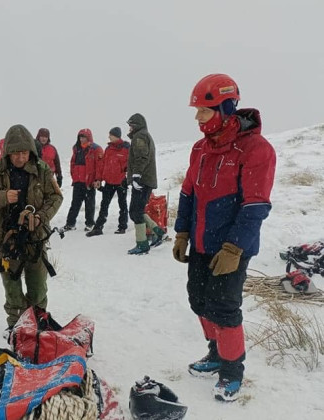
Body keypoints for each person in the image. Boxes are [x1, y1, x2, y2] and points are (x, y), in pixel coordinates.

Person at [173, 74, 275, 401]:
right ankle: (215, 352)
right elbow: (188, 193)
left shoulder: (256, 149)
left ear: (225, 108)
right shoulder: (200, 148)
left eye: (203, 111)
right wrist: (182, 233)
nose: (197, 118)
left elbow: (255, 205)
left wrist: (234, 248)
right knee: (198, 301)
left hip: (232, 248)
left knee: (224, 308)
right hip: (202, 244)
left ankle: (232, 371)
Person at [0, 124, 63, 331]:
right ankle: (16, 326)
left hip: (35, 239)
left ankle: (38, 323)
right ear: (7, 153)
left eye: (24, 153)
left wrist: (41, 217)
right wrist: (3, 196)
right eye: (15, 153)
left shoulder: (42, 170)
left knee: (38, 288)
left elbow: (56, 197)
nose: (20, 158)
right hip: (7, 240)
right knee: (12, 290)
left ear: (30, 151)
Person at [125, 113, 165, 254]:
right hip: (146, 180)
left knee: (135, 212)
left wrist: (136, 176)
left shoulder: (140, 137)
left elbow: (141, 157)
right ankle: (158, 232)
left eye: (130, 125)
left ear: (136, 125)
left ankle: (142, 244)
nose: (129, 128)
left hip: (142, 180)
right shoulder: (143, 135)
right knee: (138, 211)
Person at [87, 127, 129, 237]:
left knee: (122, 205)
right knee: (104, 205)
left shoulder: (126, 148)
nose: (109, 137)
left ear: (117, 136)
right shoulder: (108, 149)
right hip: (109, 182)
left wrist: (127, 175)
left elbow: (130, 164)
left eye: (111, 135)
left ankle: (122, 227)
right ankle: (98, 228)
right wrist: (99, 179)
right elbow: (102, 166)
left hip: (121, 182)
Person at [63, 129, 103, 232]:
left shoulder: (96, 149)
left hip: (89, 182)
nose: (82, 139)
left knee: (89, 204)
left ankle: (90, 223)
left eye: (84, 137)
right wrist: (74, 176)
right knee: (75, 203)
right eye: (80, 137)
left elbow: (99, 166)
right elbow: (73, 163)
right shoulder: (76, 148)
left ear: (89, 137)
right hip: (78, 181)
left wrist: (97, 179)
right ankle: (70, 224)